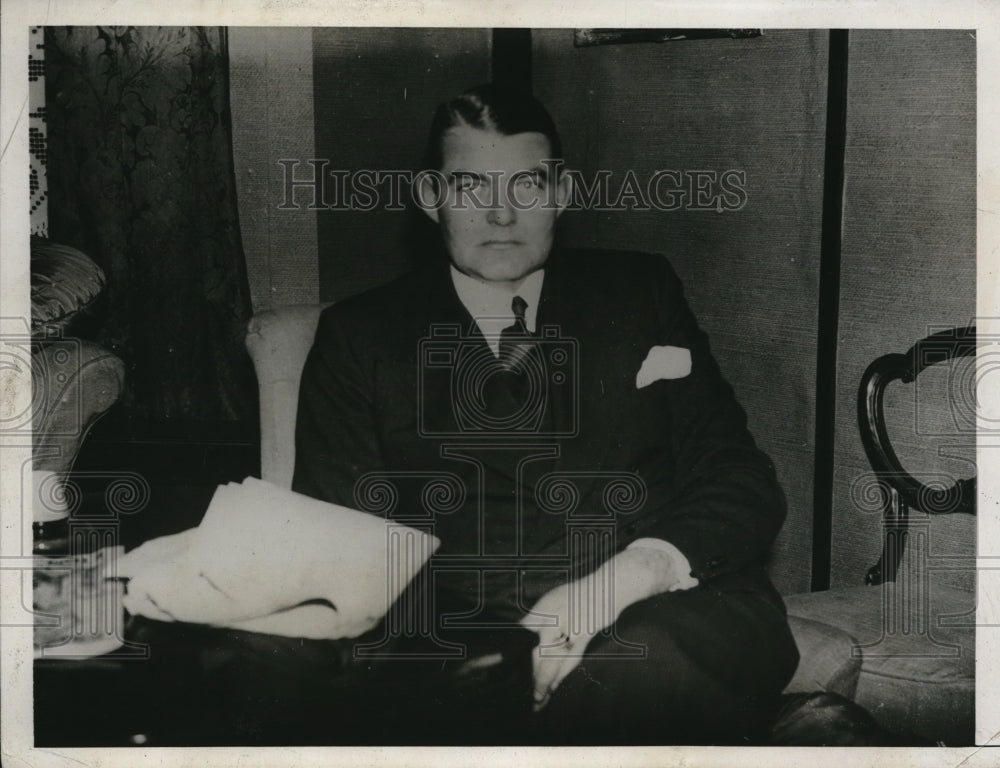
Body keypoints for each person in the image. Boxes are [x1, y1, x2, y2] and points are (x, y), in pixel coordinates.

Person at [291, 83, 799, 745]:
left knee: (642, 670)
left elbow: (741, 479)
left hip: (660, 605)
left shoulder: (641, 293)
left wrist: (621, 582)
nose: (502, 215)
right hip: (470, 636)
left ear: (561, 193)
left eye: (527, 186)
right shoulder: (360, 336)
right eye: (471, 186)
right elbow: (337, 540)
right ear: (428, 198)